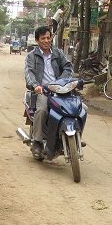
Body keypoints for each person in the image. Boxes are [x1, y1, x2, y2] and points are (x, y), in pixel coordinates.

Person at [24, 25, 73, 158]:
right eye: (43, 38)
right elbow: (29, 74)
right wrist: (36, 86)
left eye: (48, 37)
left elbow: (68, 67)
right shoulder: (31, 56)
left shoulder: (58, 53)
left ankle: (73, 134)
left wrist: (61, 81)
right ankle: (38, 142)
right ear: (37, 40)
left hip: (60, 90)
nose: (46, 41)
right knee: (42, 110)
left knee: (79, 108)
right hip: (43, 91)